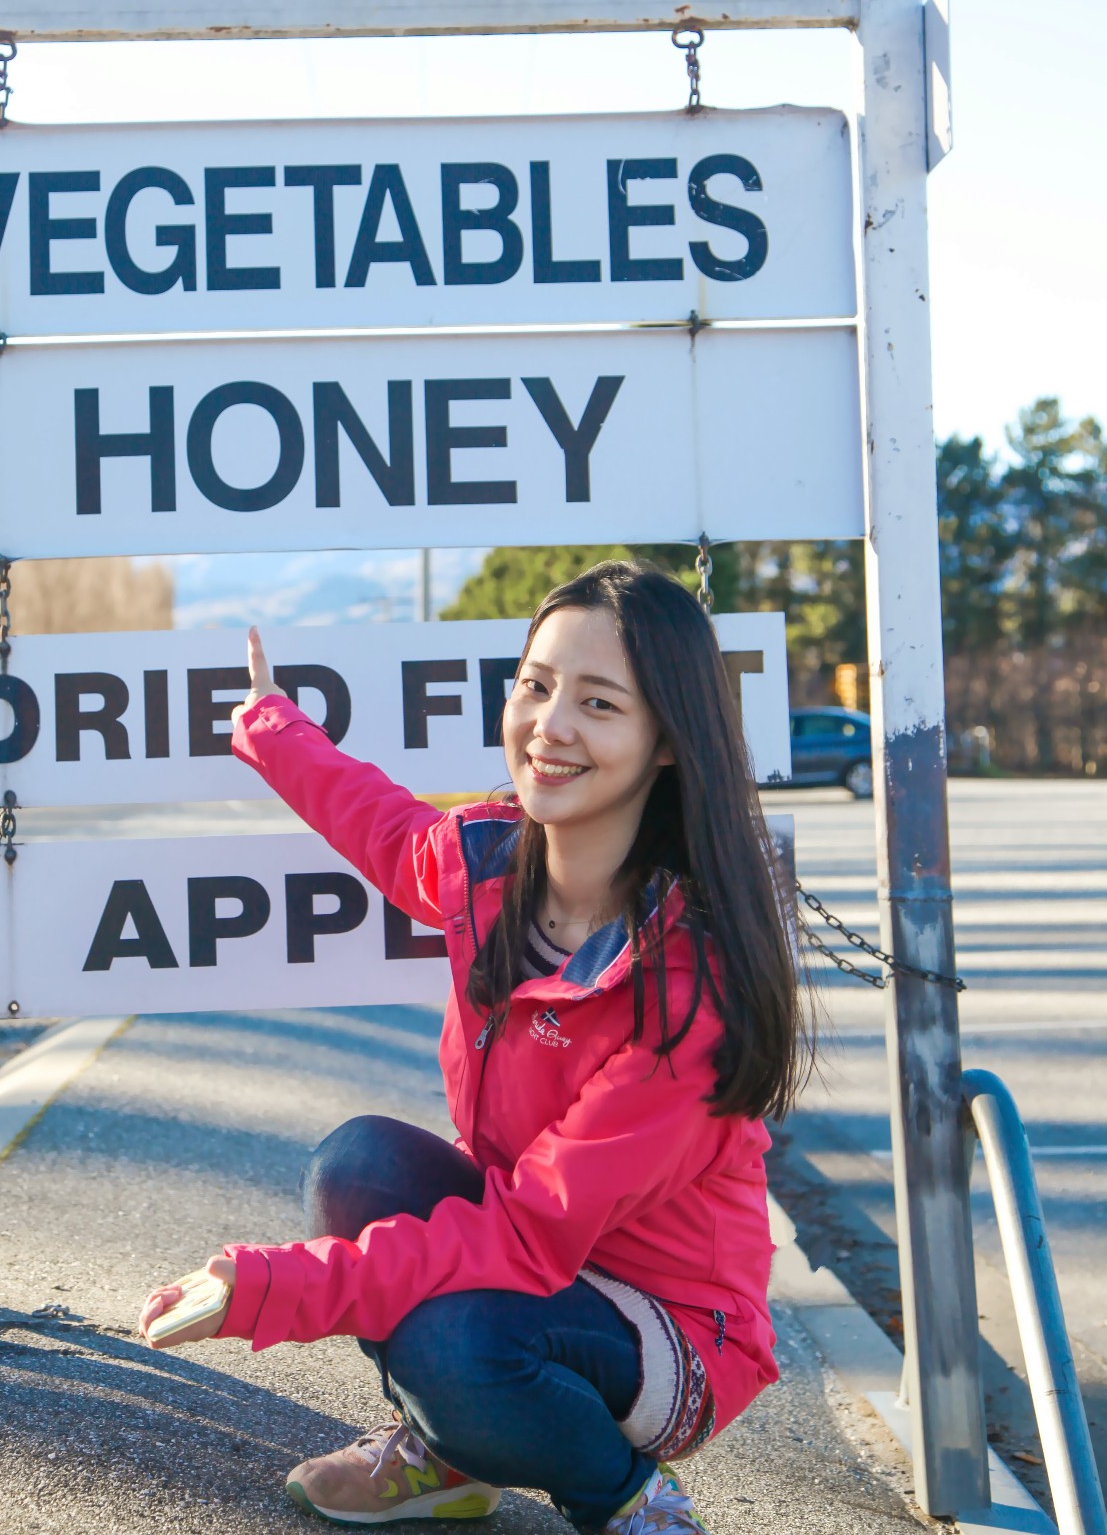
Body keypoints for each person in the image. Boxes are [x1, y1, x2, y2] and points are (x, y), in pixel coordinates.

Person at [138, 560, 809, 1535]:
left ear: (667, 741)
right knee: (357, 1163)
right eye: (536, 684)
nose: (551, 723)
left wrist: (276, 1283)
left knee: (449, 1340)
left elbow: (529, 1235)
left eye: (599, 701)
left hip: (673, 1331)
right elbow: (378, 823)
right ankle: (451, 1457)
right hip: (536, 1252)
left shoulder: (684, 993)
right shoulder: (489, 865)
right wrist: (271, 725)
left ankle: (628, 1499)